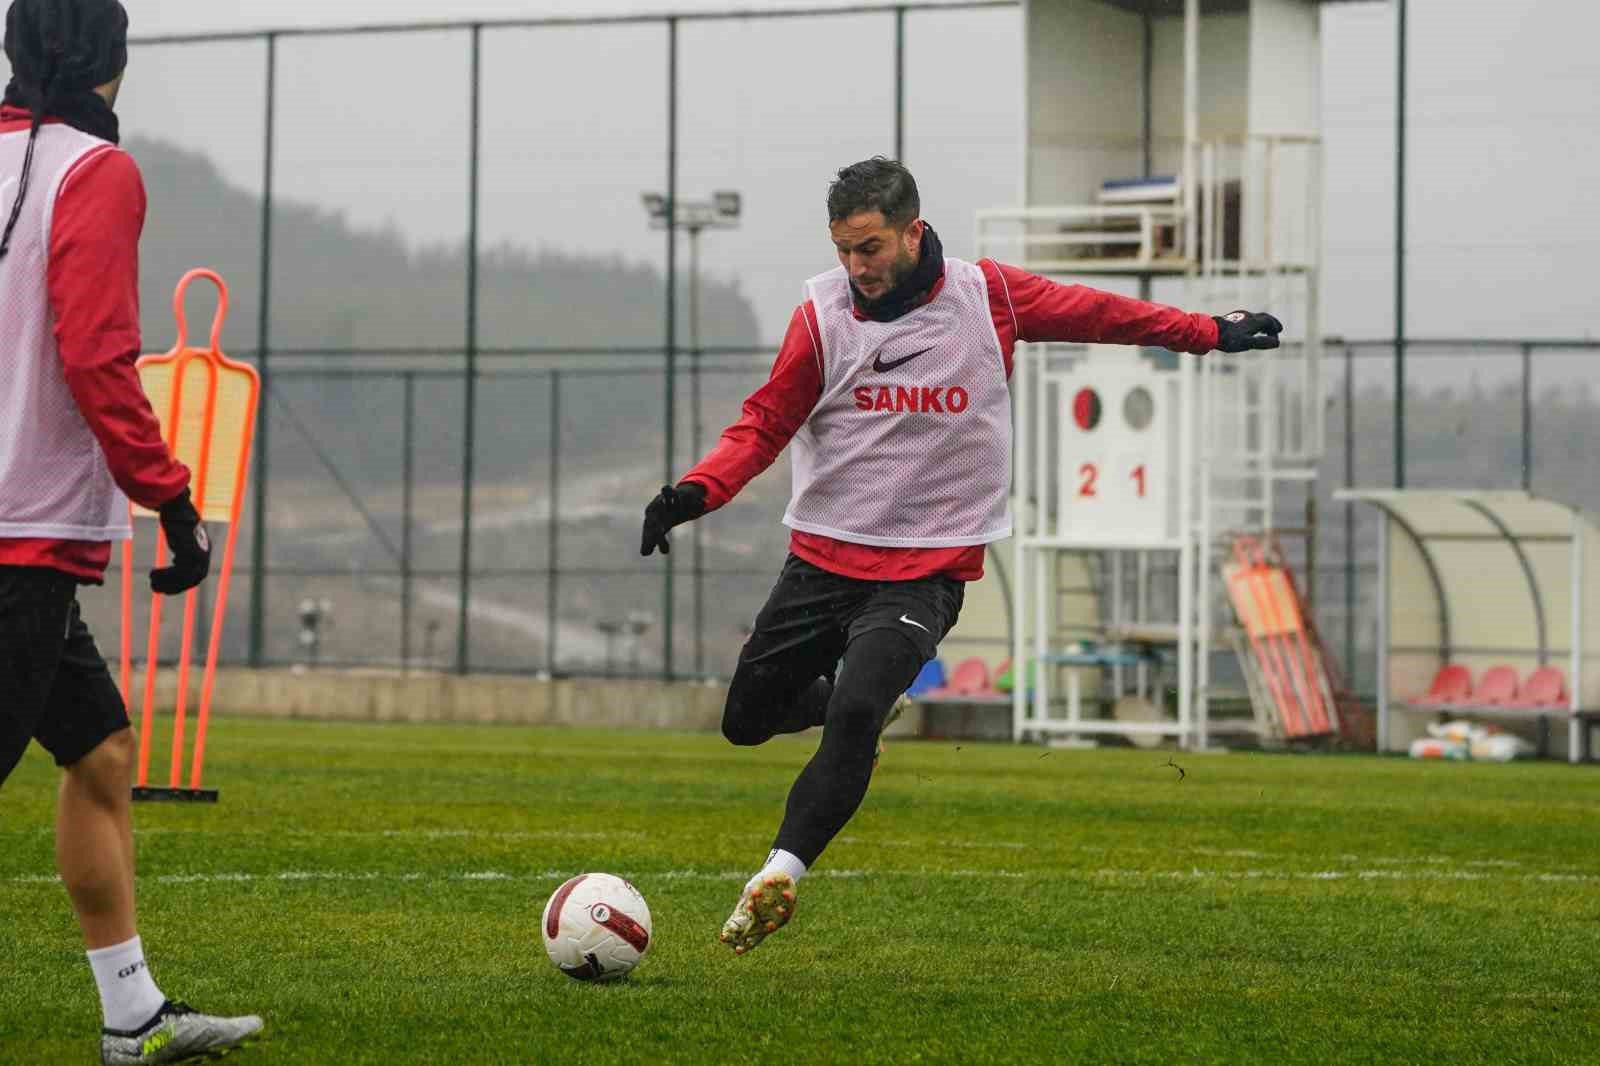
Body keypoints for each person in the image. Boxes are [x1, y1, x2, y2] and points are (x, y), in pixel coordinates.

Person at [639, 157, 1281, 955]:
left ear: (913, 230)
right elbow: (764, 423)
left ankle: (780, 872)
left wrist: (1210, 333)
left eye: (870, 248)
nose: (856, 268)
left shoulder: (989, 297)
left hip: (927, 570)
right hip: (824, 561)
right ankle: (845, 708)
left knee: (855, 713)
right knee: (746, 721)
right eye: (843, 249)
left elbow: (1103, 314)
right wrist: (695, 493)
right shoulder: (822, 316)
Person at [0, 1, 262, 1061]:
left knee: (102, 753)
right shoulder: (94, 172)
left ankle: (131, 1017)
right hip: (20, 531)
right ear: (112, 62)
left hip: (23, 540)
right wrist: (169, 500)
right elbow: (100, 355)